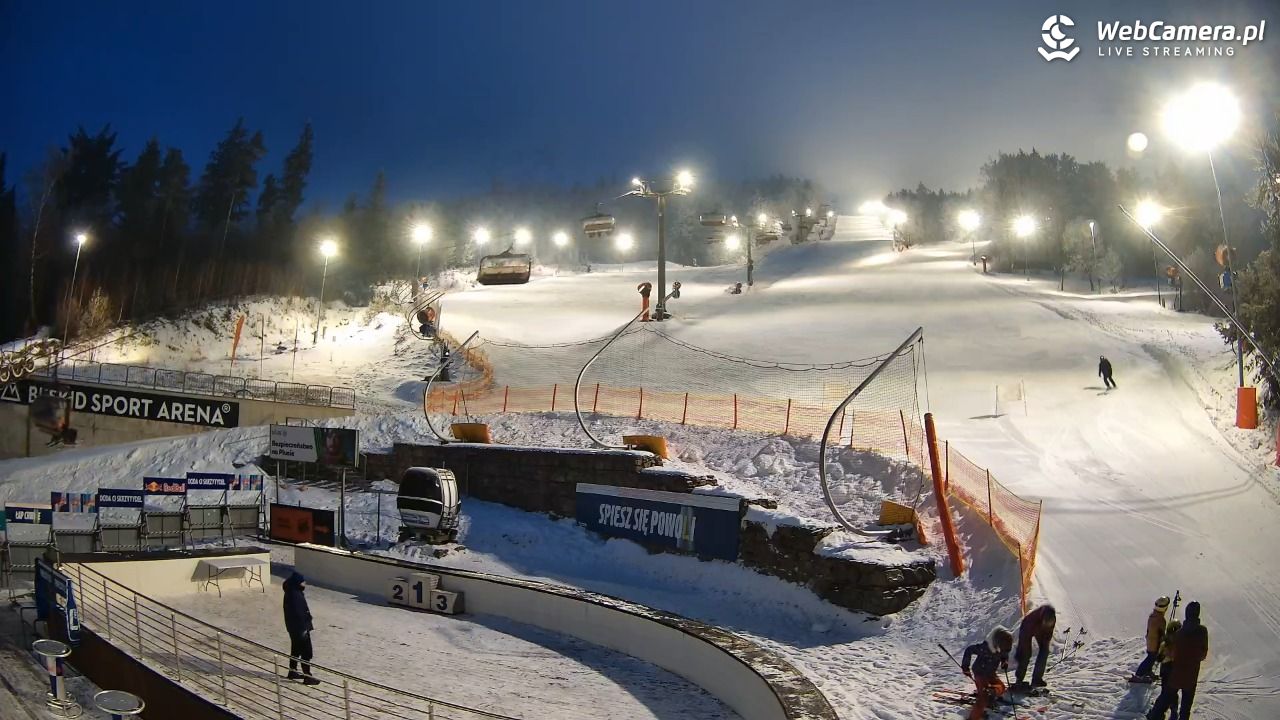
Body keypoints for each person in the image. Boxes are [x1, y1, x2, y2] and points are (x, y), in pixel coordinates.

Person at [1149, 602, 1208, 720]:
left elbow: (1170, 654)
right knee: (1185, 709)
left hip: (1176, 674)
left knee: (1164, 700)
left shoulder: (1178, 634)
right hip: (1191, 676)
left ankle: (1155, 717)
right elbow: (1202, 655)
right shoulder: (1202, 632)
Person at [962, 626, 1013, 720]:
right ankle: (973, 717)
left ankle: (991, 692)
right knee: (984, 696)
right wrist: (965, 667)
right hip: (980, 673)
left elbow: (1004, 655)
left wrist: (1004, 661)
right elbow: (969, 649)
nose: (1003, 651)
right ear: (997, 642)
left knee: (1001, 687)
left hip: (990, 673)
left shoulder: (1003, 646)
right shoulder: (984, 647)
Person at [283, 572, 320, 685]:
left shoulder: (292, 592)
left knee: (296, 650)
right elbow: (299, 613)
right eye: (303, 582)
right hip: (300, 628)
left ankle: (292, 671)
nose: (304, 583)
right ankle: (307, 676)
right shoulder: (295, 595)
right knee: (306, 652)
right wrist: (304, 628)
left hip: (293, 628)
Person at [1012, 604, 1056, 691]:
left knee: (1044, 651)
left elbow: (1049, 633)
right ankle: (1019, 679)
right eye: (1046, 623)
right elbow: (1024, 643)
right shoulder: (1031, 621)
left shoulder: (1051, 619)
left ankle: (1037, 679)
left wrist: (1045, 642)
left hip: (1041, 630)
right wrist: (1022, 652)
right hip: (1027, 628)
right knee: (1026, 653)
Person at [1150, 618, 1183, 720]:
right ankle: (1173, 711)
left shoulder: (1165, 643)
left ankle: (1157, 712)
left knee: (1165, 692)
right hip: (1175, 670)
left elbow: (1159, 658)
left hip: (1166, 669)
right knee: (1173, 692)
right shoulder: (1180, 644)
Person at [1132, 596, 1171, 682]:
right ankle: (1138, 675)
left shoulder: (1153, 616)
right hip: (1155, 643)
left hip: (1150, 641)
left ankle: (1148, 672)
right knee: (1150, 659)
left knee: (1151, 658)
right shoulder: (1160, 619)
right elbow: (1161, 633)